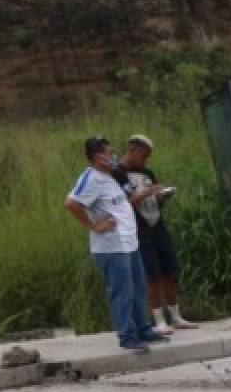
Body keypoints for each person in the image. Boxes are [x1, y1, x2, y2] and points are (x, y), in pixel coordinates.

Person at [64, 136, 167, 354]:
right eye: (110, 154)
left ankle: (143, 328)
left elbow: (123, 202)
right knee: (123, 292)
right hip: (112, 246)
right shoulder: (90, 179)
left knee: (138, 287)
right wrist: (93, 225)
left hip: (129, 242)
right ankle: (127, 335)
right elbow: (71, 203)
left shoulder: (111, 176)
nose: (114, 157)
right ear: (98, 157)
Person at [114, 134, 197, 332]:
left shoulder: (147, 172)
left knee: (170, 269)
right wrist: (145, 193)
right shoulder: (118, 173)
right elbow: (123, 203)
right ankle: (158, 319)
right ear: (133, 150)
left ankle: (176, 315)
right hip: (138, 228)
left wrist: (162, 195)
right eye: (143, 156)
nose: (146, 161)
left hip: (157, 224)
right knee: (152, 274)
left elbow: (154, 199)